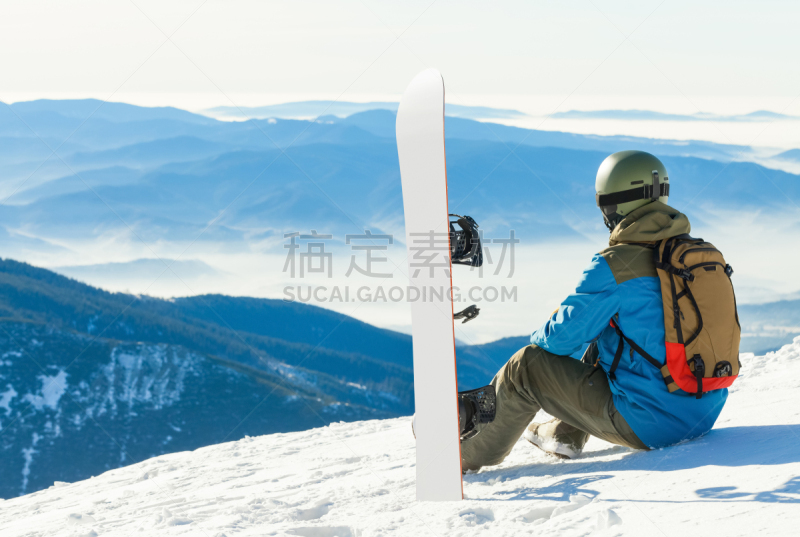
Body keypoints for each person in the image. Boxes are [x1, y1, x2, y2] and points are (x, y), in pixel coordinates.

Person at [459, 150, 731, 471]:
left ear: (613, 206)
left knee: (526, 366)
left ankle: (466, 454)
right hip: (703, 413)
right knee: (609, 333)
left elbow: (559, 341)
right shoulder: (702, 254)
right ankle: (564, 435)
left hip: (652, 425)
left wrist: (542, 334)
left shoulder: (616, 264)